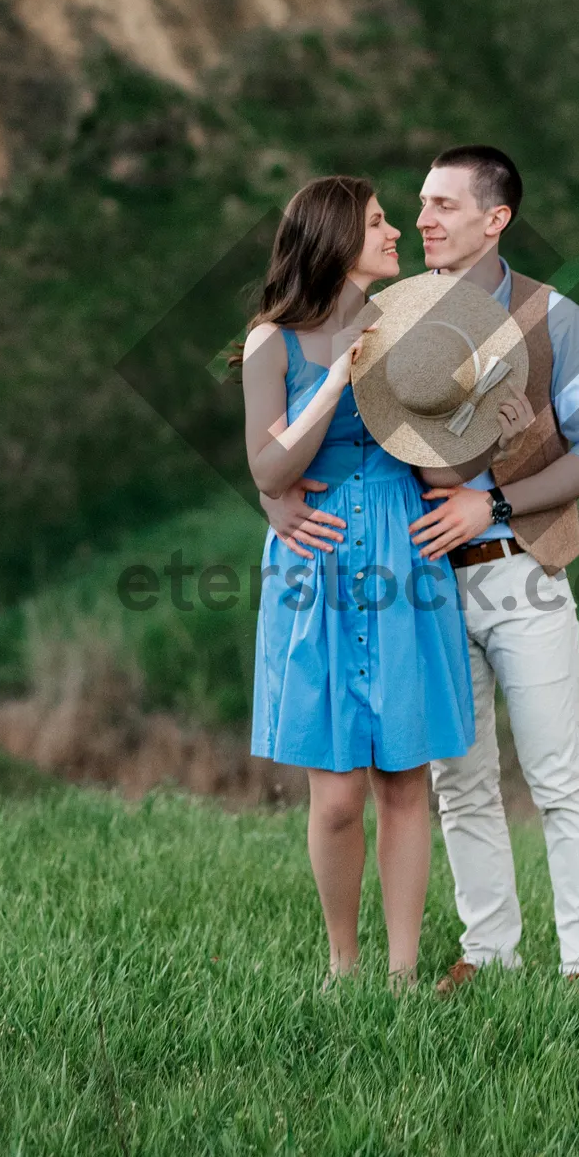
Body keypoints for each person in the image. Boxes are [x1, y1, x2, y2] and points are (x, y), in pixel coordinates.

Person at [262, 148, 579, 990]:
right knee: (457, 783)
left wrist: (493, 503)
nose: (422, 220)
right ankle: (489, 953)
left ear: (495, 220)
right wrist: (275, 504)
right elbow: (319, 438)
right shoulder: (384, 314)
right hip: (414, 589)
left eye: (444, 206)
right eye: (416, 205)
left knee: (556, 772)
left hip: (518, 570)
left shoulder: (553, 317)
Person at [243, 175, 523, 991]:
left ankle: (401, 976)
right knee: (334, 797)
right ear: (334, 237)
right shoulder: (274, 342)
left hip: (404, 556)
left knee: (405, 781)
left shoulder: (408, 326)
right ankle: (344, 964)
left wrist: (488, 431)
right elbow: (269, 466)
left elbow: (443, 459)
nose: (397, 231)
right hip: (317, 567)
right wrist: (337, 380)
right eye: (377, 222)